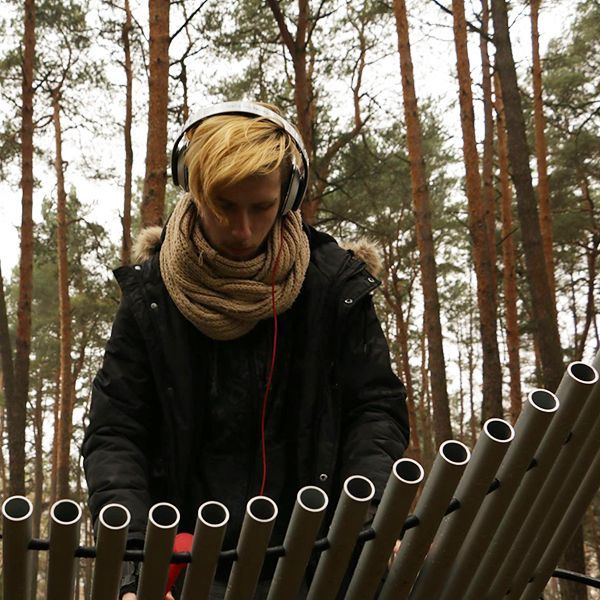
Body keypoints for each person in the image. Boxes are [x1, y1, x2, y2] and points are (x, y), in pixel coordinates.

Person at [82, 101, 409, 599]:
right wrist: (137, 567)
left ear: (289, 195)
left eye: (261, 207)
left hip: (316, 565)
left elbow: (376, 411)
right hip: (186, 571)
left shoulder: (334, 288)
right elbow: (116, 434)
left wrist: (365, 522)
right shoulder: (151, 299)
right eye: (225, 207)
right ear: (193, 191)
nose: (243, 230)